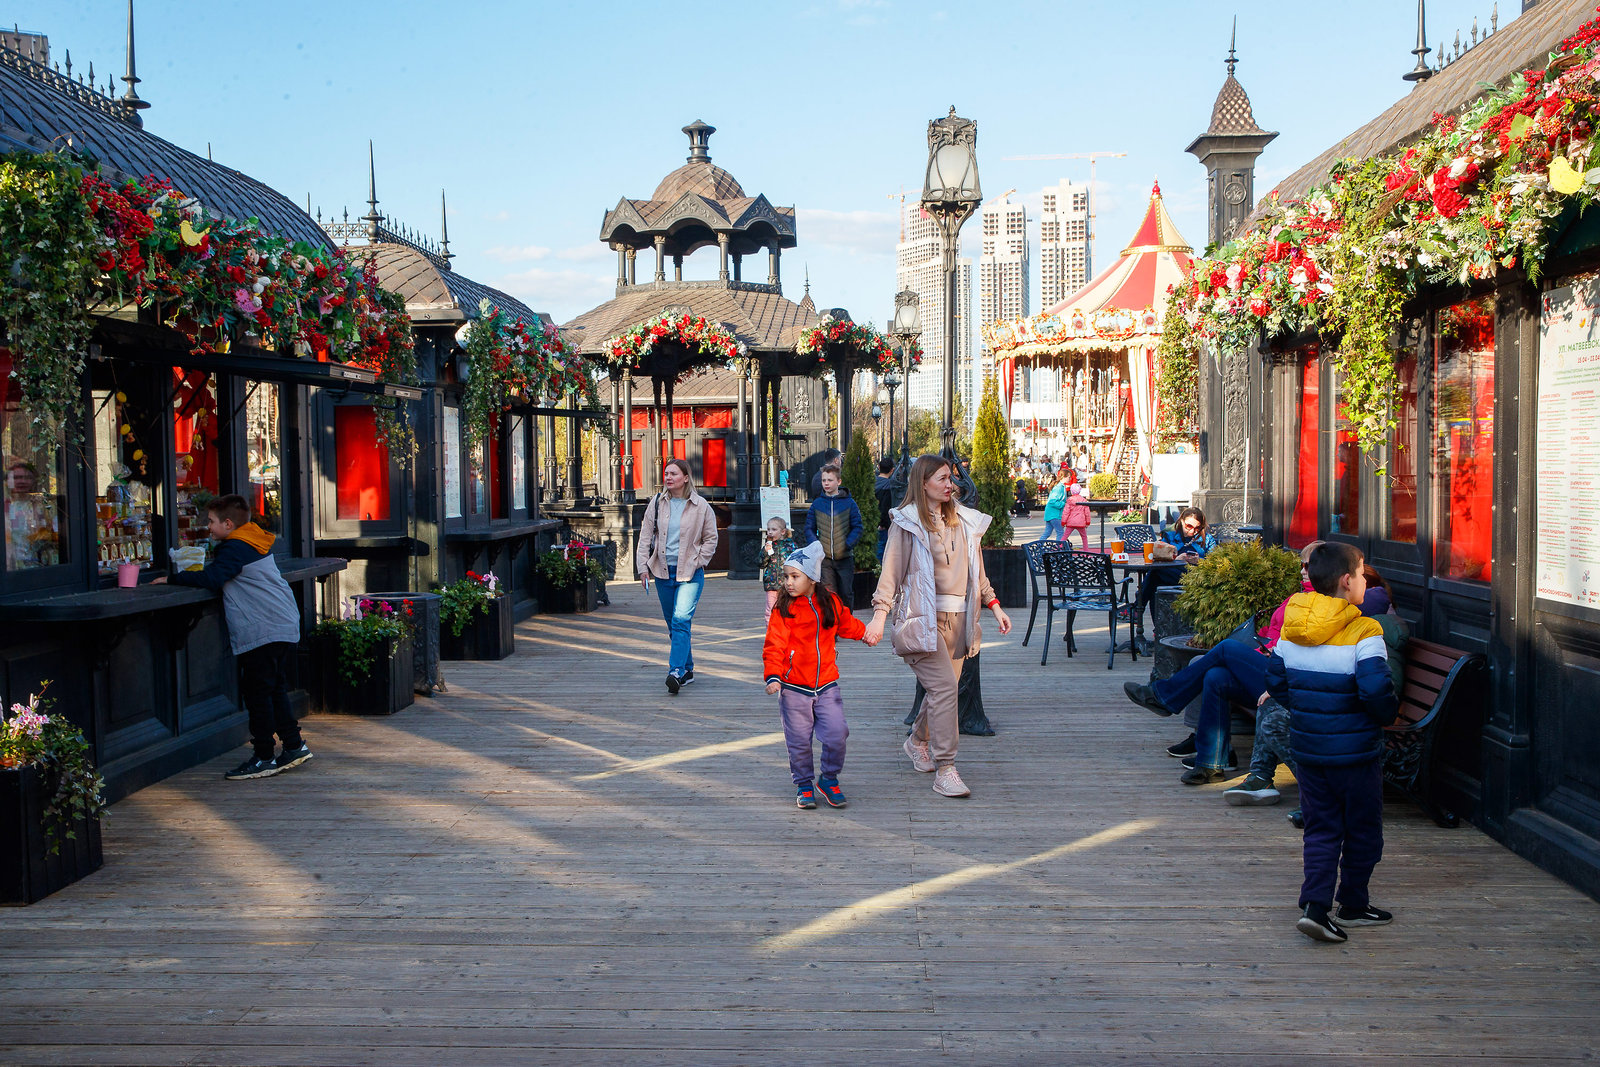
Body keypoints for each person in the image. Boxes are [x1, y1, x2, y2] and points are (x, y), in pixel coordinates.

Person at [1269, 542, 1400, 943]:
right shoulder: (1365, 629)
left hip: (1309, 751)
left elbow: (1276, 682)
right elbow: (1377, 691)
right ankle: (1355, 903)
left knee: (1321, 829)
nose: (1364, 581)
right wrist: (1382, 717)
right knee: (1363, 830)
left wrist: (1311, 710)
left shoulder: (1293, 626)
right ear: (1347, 581)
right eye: (1361, 575)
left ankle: (1316, 907)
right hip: (1356, 754)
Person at [865, 454, 1012, 799]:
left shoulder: (965, 521)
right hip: (922, 622)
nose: (950, 484)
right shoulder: (908, 523)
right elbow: (891, 574)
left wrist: (994, 605)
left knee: (941, 692)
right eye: (943, 478)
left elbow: (978, 573)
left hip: (961, 622)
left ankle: (918, 741)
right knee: (946, 689)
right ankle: (946, 768)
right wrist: (879, 616)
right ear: (924, 483)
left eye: (951, 478)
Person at [152, 494, 308, 781]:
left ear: (227, 523)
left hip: (264, 627)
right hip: (281, 623)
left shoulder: (234, 547)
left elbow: (212, 578)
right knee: (273, 688)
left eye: (211, 522)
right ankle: (294, 744)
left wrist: (171, 578)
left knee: (258, 693)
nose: (208, 527)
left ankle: (263, 756)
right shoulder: (253, 540)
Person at [763, 542, 870, 810]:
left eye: (794, 576)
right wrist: (773, 675)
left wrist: (865, 633)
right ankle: (804, 784)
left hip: (827, 685)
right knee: (798, 741)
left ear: (812, 578)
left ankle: (829, 778)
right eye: (786, 576)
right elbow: (774, 643)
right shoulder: (783, 608)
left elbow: (845, 623)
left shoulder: (829, 602)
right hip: (794, 688)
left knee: (837, 733)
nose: (788, 582)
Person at [636, 458, 720, 695]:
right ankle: (688, 669)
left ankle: (675, 671)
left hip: (690, 573)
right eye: (666, 473)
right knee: (674, 625)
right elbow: (645, 537)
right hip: (662, 571)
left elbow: (711, 538)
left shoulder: (701, 505)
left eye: (673, 473)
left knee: (681, 619)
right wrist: (643, 567)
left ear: (685, 477)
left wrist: (699, 562)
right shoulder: (656, 503)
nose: (668, 477)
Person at [804, 463, 863, 610]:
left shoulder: (849, 503)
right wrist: (816, 545)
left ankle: (847, 626)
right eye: (824, 480)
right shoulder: (817, 504)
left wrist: (848, 544)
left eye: (830, 480)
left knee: (846, 594)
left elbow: (857, 526)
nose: (826, 483)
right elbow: (809, 528)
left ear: (839, 481)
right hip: (825, 559)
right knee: (828, 594)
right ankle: (832, 629)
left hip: (845, 558)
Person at [759, 516, 798, 619]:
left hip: (787, 585)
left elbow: (797, 564)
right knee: (770, 611)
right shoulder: (768, 546)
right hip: (772, 584)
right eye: (768, 529)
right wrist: (765, 552)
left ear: (783, 531)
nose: (770, 532)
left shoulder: (791, 545)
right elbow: (761, 564)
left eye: (774, 529)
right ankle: (771, 633)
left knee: (788, 609)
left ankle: (787, 632)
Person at [1061, 470, 1092, 550]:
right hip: (1081, 522)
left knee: (1065, 536)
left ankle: (1059, 548)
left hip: (1071, 522)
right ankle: (1086, 551)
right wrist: (1087, 522)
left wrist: (1063, 522)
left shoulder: (1070, 500)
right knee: (1084, 537)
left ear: (1071, 491)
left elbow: (1066, 512)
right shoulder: (1083, 501)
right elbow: (1087, 513)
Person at [875, 457, 895, 560]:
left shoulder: (872, 481)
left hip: (872, 521)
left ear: (879, 467)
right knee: (882, 549)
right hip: (882, 525)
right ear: (892, 470)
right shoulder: (889, 486)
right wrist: (883, 524)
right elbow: (885, 507)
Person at [1040, 472, 1067, 542]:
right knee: (1060, 532)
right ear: (1064, 477)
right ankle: (1059, 549)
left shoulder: (1059, 486)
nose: (1070, 479)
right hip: (1055, 514)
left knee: (1047, 532)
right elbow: (1052, 501)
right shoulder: (1059, 488)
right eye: (1069, 477)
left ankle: (1039, 546)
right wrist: (1063, 504)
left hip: (1050, 513)